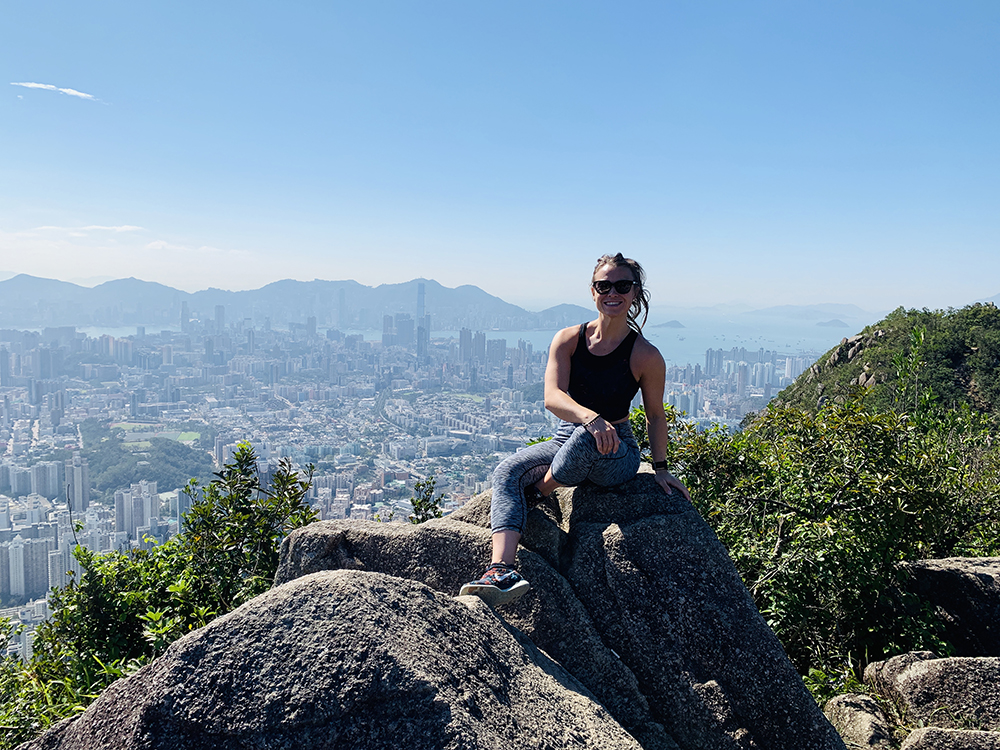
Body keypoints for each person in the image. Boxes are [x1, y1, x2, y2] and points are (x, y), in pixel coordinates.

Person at [459, 253, 691, 606]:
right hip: (568, 437)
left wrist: (660, 469)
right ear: (593, 291)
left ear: (635, 292)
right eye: (604, 285)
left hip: (618, 454)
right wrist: (590, 417)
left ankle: (540, 491)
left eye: (622, 286)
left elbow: (655, 416)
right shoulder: (569, 339)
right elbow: (552, 397)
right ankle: (501, 570)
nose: (612, 292)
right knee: (507, 470)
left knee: (586, 438)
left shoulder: (645, 355)